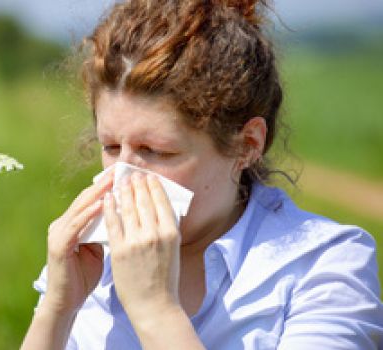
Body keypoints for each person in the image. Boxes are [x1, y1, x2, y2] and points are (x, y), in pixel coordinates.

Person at [20, 0, 383, 349]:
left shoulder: (323, 266)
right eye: (111, 147)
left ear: (247, 145)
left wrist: (156, 311)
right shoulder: (91, 261)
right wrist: (57, 308)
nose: (124, 175)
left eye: (157, 151)